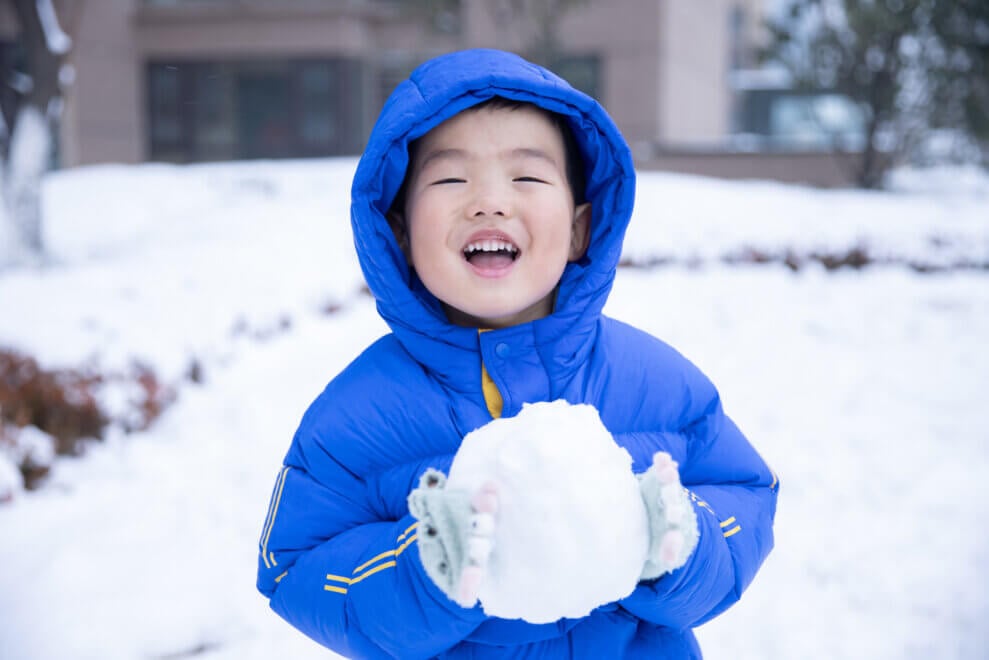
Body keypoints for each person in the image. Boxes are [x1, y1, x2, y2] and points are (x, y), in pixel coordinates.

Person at [256, 48, 778, 659]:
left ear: (581, 226)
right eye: (452, 179)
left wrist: (680, 543)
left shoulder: (656, 384)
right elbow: (296, 567)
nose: (489, 202)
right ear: (399, 232)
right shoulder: (357, 415)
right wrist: (423, 569)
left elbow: (746, 493)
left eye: (526, 177)